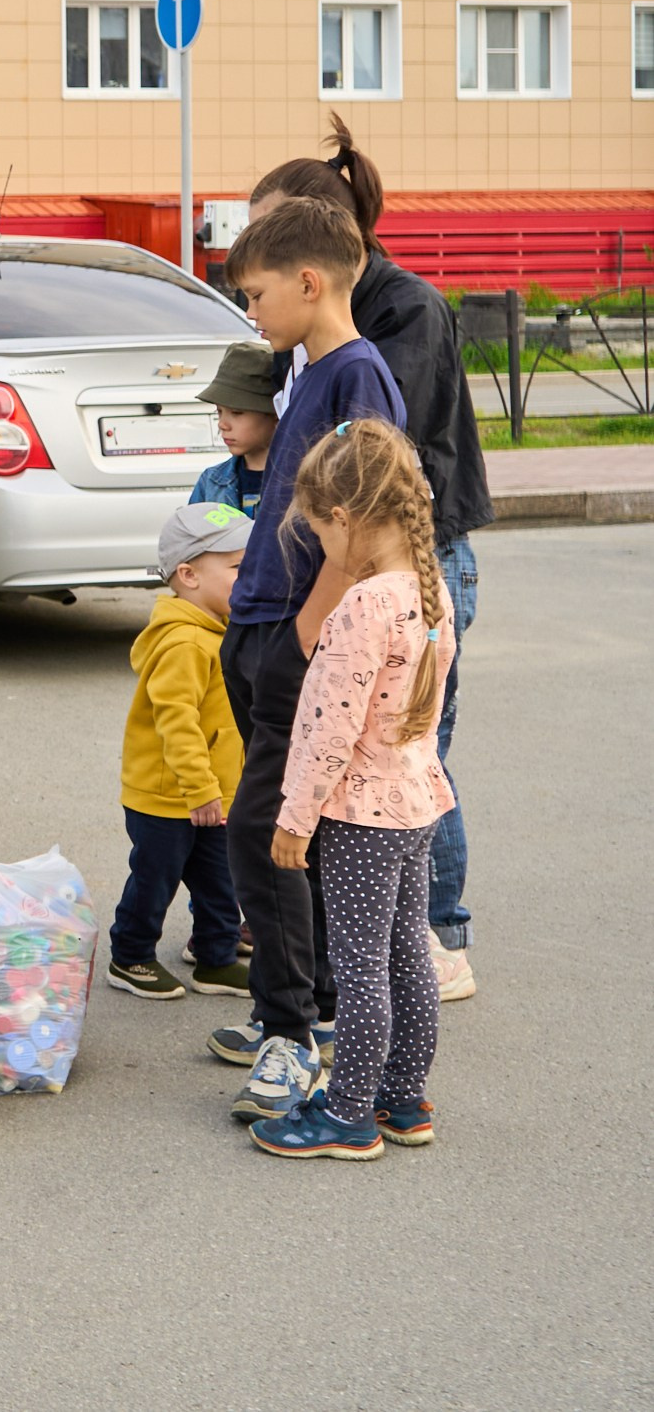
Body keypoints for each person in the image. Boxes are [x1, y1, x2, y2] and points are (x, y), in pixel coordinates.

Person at [249, 116, 491, 1002]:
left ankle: (438, 935)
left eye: (269, 236)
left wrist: (313, 613)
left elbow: (373, 465)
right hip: (360, 569)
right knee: (373, 759)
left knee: (408, 759)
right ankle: (389, 944)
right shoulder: (329, 339)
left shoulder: (397, 319)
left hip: (411, 565)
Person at [212, 196, 406, 1126]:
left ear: (308, 281)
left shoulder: (355, 376)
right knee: (284, 833)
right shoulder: (314, 369)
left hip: (298, 636)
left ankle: (290, 1033)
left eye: (255, 296)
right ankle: (303, 1009)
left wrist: (298, 640)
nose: (251, 314)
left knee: (264, 832)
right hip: (264, 625)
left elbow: (361, 526)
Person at [249, 419, 454, 1160]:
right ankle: (405, 1097)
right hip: (415, 802)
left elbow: (333, 729)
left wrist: (295, 817)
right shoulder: (426, 595)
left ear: (346, 520)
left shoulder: (364, 607)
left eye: (321, 535)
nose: (322, 553)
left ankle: (347, 1112)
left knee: (363, 965)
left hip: (359, 813)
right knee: (406, 955)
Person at [108, 504, 250, 1002]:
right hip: (168, 796)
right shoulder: (185, 642)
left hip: (212, 793)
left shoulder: (220, 630)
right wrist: (200, 787)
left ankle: (216, 958)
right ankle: (130, 954)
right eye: (236, 567)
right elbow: (178, 722)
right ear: (188, 575)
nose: (249, 576)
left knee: (220, 881)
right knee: (155, 878)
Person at [189, 340, 279, 516]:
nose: (223, 424)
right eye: (219, 411)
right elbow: (192, 538)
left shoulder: (300, 482)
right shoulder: (210, 481)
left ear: (275, 414)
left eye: (237, 413)